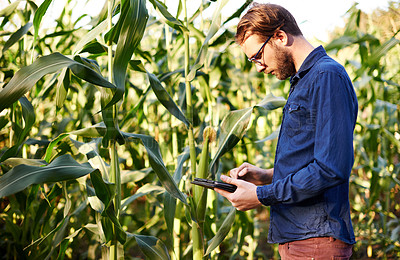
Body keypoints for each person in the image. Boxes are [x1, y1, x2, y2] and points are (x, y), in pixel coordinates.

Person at [215, 3, 358, 259]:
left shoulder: (326, 76)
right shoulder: (305, 80)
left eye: (257, 55)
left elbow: (331, 168)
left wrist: (261, 196)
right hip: (301, 238)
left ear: (280, 36)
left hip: (315, 240)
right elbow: (314, 160)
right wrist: (266, 176)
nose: (258, 66)